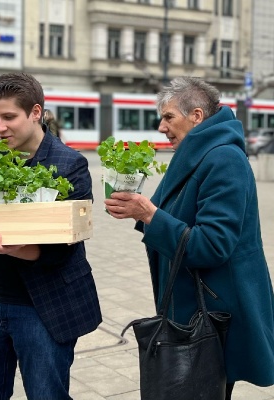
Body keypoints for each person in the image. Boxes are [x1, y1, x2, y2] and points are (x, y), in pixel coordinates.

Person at [105, 76, 274, 399]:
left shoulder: (223, 158)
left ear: (196, 116)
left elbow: (212, 245)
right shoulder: (199, 153)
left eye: (168, 117)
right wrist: (140, 212)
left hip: (215, 312)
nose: (161, 127)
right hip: (198, 305)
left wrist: (149, 215)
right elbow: (179, 215)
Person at [0, 72, 102, 400]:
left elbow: (66, 246)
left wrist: (16, 247)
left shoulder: (70, 164)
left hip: (42, 303)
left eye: (9, 117)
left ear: (36, 112)